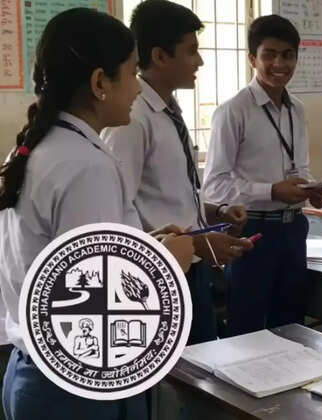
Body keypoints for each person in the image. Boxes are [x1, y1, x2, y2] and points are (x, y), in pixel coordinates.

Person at [0, 8, 194, 420]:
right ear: (99, 82)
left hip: (36, 369)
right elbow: (95, 308)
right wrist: (167, 263)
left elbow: (67, 265)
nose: (138, 88)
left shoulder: (41, 149)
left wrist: (142, 246)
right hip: (75, 386)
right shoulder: (86, 166)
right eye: (132, 73)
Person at [102, 0, 252, 344]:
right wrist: (197, 242)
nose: (199, 61)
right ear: (159, 56)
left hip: (189, 267)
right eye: (191, 51)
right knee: (178, 371)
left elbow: (167, 193)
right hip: (156, 275)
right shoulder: (132, 119)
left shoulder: (168, 108)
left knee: (201, 363)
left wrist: (215, 213)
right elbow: (117, 214)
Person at [203, 15, 322, 336]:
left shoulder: (296, 109)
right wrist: (271, 191)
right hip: (252, 231)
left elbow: (298, 168)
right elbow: (214, 185)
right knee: (245, 328)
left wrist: (311, 190)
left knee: (291, 326)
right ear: (252, 59)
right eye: (269, 55)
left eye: (288, 55)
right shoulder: (233, 111)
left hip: (294, 229)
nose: (279, 64)